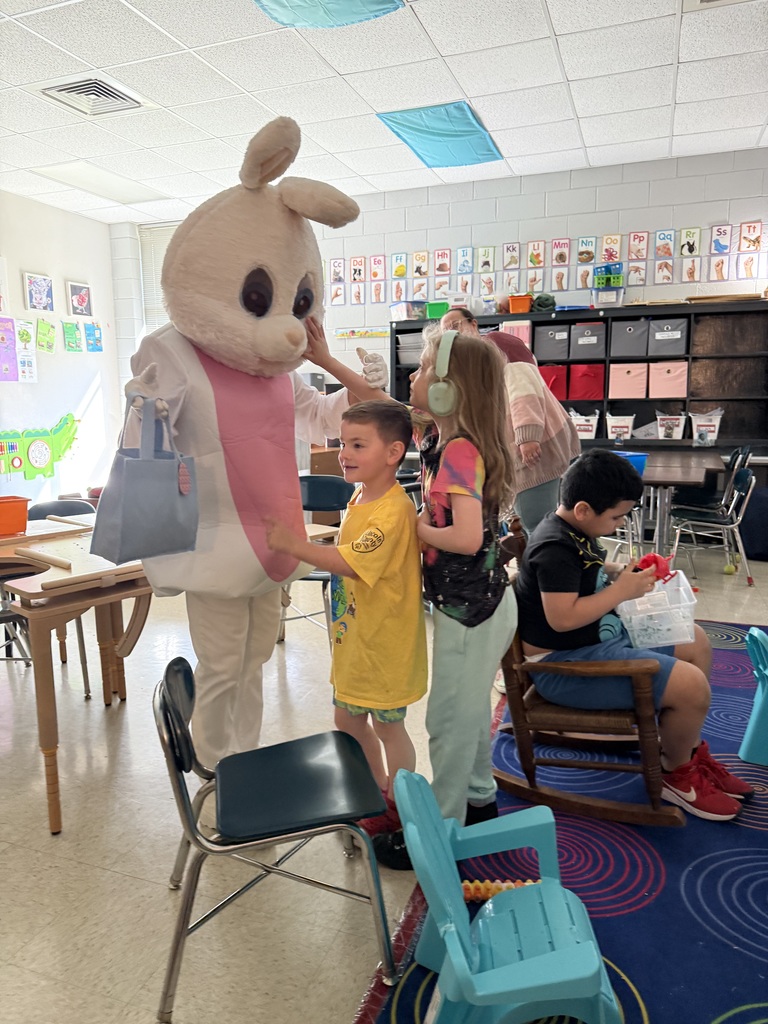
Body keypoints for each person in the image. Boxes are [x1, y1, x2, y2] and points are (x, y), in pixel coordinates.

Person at [514, 449, 754, 821]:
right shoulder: (554, 548)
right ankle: (677, 775)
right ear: (582, 510)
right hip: (563, 667)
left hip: (597, 642)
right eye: (617, 516)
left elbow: (585, 571)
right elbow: (562, 619)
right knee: (692, 687)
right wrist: (622, 590)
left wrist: (618, 571)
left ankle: (685, 750)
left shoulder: (572, 530)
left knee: (697, 641)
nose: (620, 522)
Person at [373, 327, 518, 870]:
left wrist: (416, 528)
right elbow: (383, 407)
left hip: (472, 614)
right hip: (484, 605)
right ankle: (479, 806)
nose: (412, 377)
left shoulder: (458, 451)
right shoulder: (445, 437)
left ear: (448, 390)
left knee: (448, 724)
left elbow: (465, 538)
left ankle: (440, 833)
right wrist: (323, 360)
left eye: (423, 367)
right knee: (468, 716)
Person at [265, 400, 427, 836]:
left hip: (385, 645)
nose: (344, 453)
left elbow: (351, 562)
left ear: (393, 453)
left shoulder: (393, 511)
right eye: (343, 443)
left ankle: (400, 802)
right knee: (348, 721)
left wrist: (293, 544)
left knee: (389, 727)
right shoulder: (360, 497)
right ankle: (374, 788)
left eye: (358, 444)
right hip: (355, 641)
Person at [440, 307, 580, 536]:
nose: (453, 335)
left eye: (456, 326)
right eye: (446, 332)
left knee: (536, 522)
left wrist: (528, 436)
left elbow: (523, 388)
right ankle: (536, 568)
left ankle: (552, 569)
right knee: (527, 524)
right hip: (514, 448)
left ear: (473, 324)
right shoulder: (473, 364)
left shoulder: (497, 344)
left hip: (536, 443)